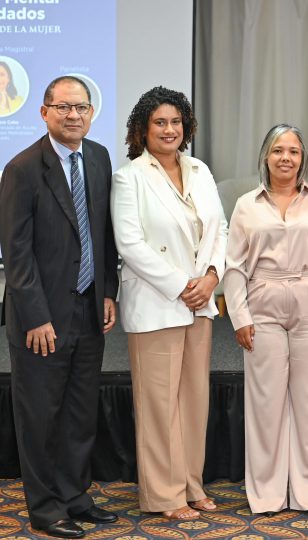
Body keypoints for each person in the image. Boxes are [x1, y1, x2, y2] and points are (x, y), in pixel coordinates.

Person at [0, 76, 119, 538]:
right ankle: (45, 508)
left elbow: (102, 235)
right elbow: (17, 251)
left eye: (82, 107)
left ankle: (74, 496)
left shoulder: (99, 158)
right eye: (64, 107)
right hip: (41, 318)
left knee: (78, 411)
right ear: (44, 112)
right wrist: (35, 316)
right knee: (41, 415)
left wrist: (106, 290)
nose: (74, 116)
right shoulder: (22, 168)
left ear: (92, 113)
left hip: (87, 310)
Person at [111, 87, 228, 520]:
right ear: (143, 129)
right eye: (160, 122)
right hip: (160, 302)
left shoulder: (200, 169)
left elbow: (222, 230)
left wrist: (212, 277)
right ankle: (164, 495)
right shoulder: (130, 177)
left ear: (186, 127)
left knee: (193, 401)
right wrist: (184, 285)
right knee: (159, 404)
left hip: (200, 303)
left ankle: (191, 484)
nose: (169, 129)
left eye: (176, 122)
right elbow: (130, 244)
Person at [223, 124, 308, 515]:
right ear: (265, 156)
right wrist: (239, 315)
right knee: (265, 404)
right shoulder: (247, 205)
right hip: (263, 305)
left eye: (293, 151)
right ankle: (266, 495)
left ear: (302, 158)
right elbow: (234, 266)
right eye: (278, 150)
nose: (285, 158)